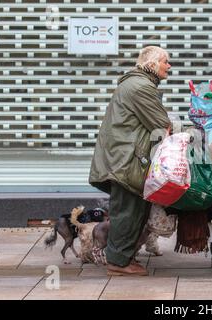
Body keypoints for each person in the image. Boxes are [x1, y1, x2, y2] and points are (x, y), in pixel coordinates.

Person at [89, 46, 172, 276]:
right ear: (153, 64)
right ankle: (118, 262)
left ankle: (124, 257)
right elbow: (160, 122)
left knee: (133, 209)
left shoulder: (136, 84)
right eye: (166, 62)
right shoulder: (141, 87)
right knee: (128, 211)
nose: (169, 67)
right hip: (126, 161)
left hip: (125, 157)